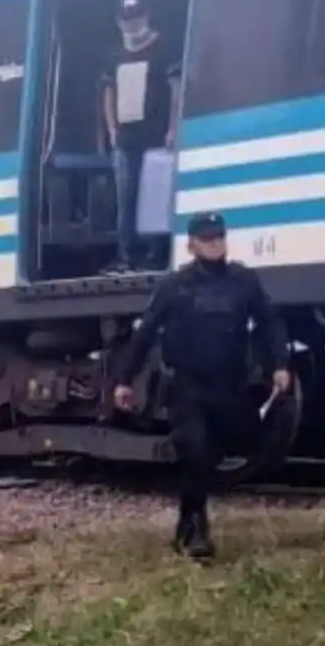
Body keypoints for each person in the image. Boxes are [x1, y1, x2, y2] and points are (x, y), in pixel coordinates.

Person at [112, 213, 290, 559]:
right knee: (195, 449)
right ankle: (197, 530)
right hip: (187, 385)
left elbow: (270, 322)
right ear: (191, 245)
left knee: (216, 454)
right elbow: (145, 332)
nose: (215, 244)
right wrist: (124, 380)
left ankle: (186, 518)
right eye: (207, 239)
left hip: (229, 385)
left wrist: (281, 364)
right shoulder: (174, 286)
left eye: (219, 237)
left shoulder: (243, 281)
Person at [100, 0, 182, 273]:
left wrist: (173, 127)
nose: (133, 24)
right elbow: (108, 93)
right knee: (126, 198)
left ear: (146, 16)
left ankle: (157, 254)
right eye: (127, 20)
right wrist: (112, 129)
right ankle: (128, 255)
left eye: (136, 18)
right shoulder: (113, 55)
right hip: (125, 138)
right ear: (118, 22)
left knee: (155, 196)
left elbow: (175, 89)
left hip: (156, 135)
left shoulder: (164, 48)